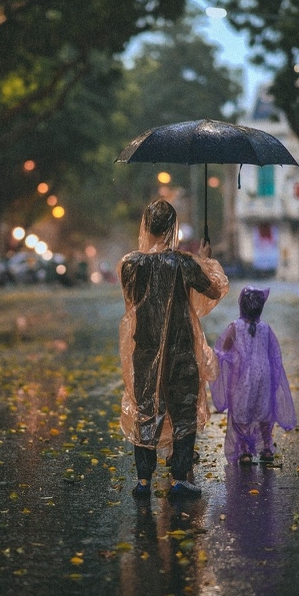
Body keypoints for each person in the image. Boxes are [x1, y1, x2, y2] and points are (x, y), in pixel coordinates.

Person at [118, 199, 228, 499]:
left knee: (146, 410)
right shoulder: (184, 264)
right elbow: (214, 289)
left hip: (145, 352)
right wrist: (205, 260)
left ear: (146, 226)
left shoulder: (130, 265)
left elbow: (132, 300)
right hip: (181, 351)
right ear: (172, 228)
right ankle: (179, 478)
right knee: (184, 412)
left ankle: (143, 481)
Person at [211, 286, 296, 466]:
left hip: (242, 378)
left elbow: (222, 350)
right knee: (263, 412)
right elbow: (274, 354)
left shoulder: (235, 327)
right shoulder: (265, 328)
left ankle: (245, 451)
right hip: (264, 376)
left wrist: (232, 358)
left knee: (242, 413)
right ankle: (266, 447)